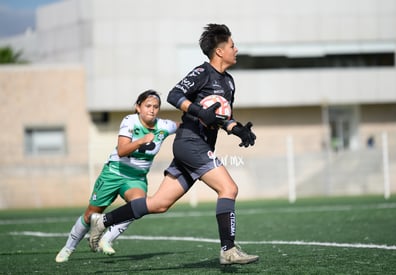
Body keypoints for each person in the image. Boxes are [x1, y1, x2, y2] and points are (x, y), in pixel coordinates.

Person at [88, 23, 258, 265]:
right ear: (219, 51)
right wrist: (199, 111)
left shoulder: (229, 82)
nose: (236, 49)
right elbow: (174, 95)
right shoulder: (202, 73)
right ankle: (228, 250)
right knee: (228, 189)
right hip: (190, 142)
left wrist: (237, 129)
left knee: (158, 204)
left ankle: (102, 221)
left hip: (196, 145)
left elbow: (221, 117)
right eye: (232, 45)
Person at [55, 90, 178, 262]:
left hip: (136, 178)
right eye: (148, 106)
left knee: (138, 206)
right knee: (90, 214)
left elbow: (181, 126)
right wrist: (141, 140)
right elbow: (121, 151)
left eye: (156, 107)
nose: (152, 110)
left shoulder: (164, 126)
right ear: (138, 107)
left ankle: (106, 239)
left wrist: (203, 119)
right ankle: (68, 248)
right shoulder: (130, 120)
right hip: (114, 172)